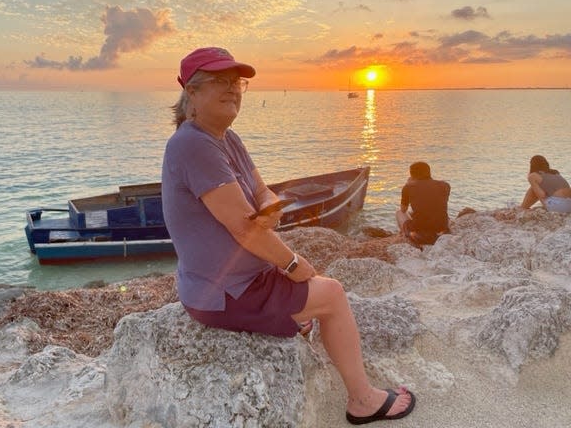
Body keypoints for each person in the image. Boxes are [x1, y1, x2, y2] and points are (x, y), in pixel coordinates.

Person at [162, 47, 415, 425]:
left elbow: (264, 191)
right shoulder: (193, 145)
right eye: (220, 81)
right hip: (224, 293)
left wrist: (266, 204)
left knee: (313, 289)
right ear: (191, 92)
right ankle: (362, 400)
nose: (233, 89)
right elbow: (245, 228)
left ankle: (290, 318)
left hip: (236, 279)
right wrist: (294, 263)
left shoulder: (223, 137)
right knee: (332, 294)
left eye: (237, 82)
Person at [395, 161, 450, 246]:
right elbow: (436, 203)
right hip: (442, 227)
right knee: (431, 210)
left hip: (420, 228)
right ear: (429, 172)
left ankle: (408, 235)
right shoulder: (445, 185)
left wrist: (408, 184)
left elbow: (403, 209)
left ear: (411, 174)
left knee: (399, 213)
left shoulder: (408, 187)